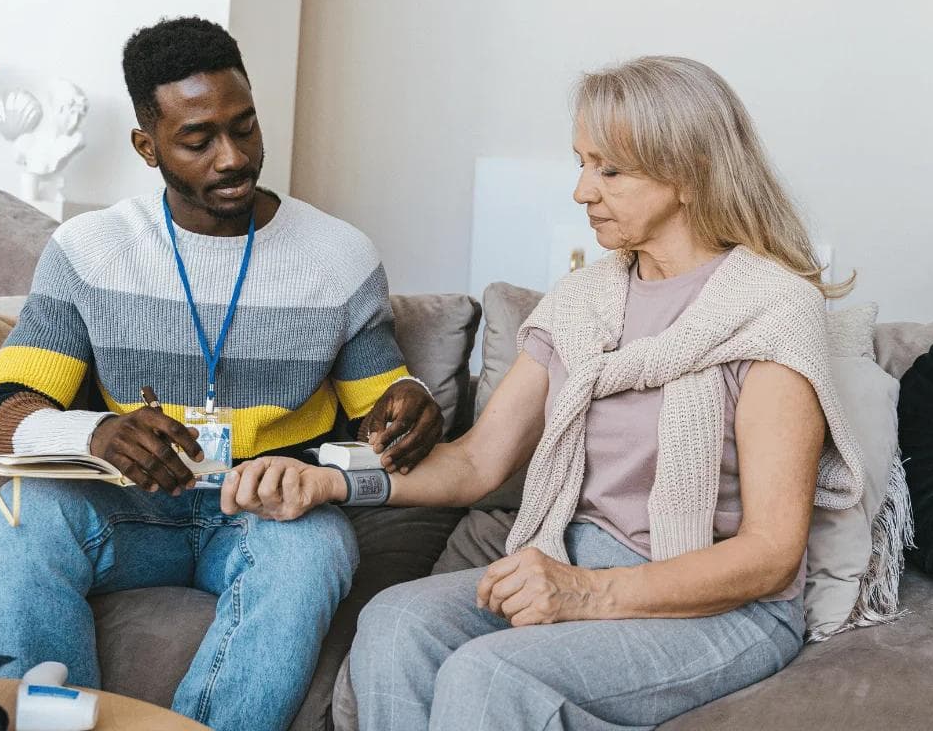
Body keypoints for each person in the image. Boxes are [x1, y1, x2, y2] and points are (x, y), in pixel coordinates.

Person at [222, 56, 869, 730]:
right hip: (573, 555)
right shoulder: (582, 303)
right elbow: (476, 462)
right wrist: (325, 479)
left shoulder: (770, 310)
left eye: (610, 170)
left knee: (491, 673)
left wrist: (588, 594)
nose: (582, 191)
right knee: (395, 620)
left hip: (718, 603)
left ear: (691, 172)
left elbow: (770, 551)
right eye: (582, 163)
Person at [0, 16, 443, 731]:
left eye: (245, 127)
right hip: (126, 509)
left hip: (263, 512)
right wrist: (97, 433)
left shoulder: (338, 256)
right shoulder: (88, 250)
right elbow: (4, 410)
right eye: (198, 139)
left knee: (317, 547)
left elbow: (385, 398)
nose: (232, 157)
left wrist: (413, 402)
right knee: (15, 519)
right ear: (147, 145)